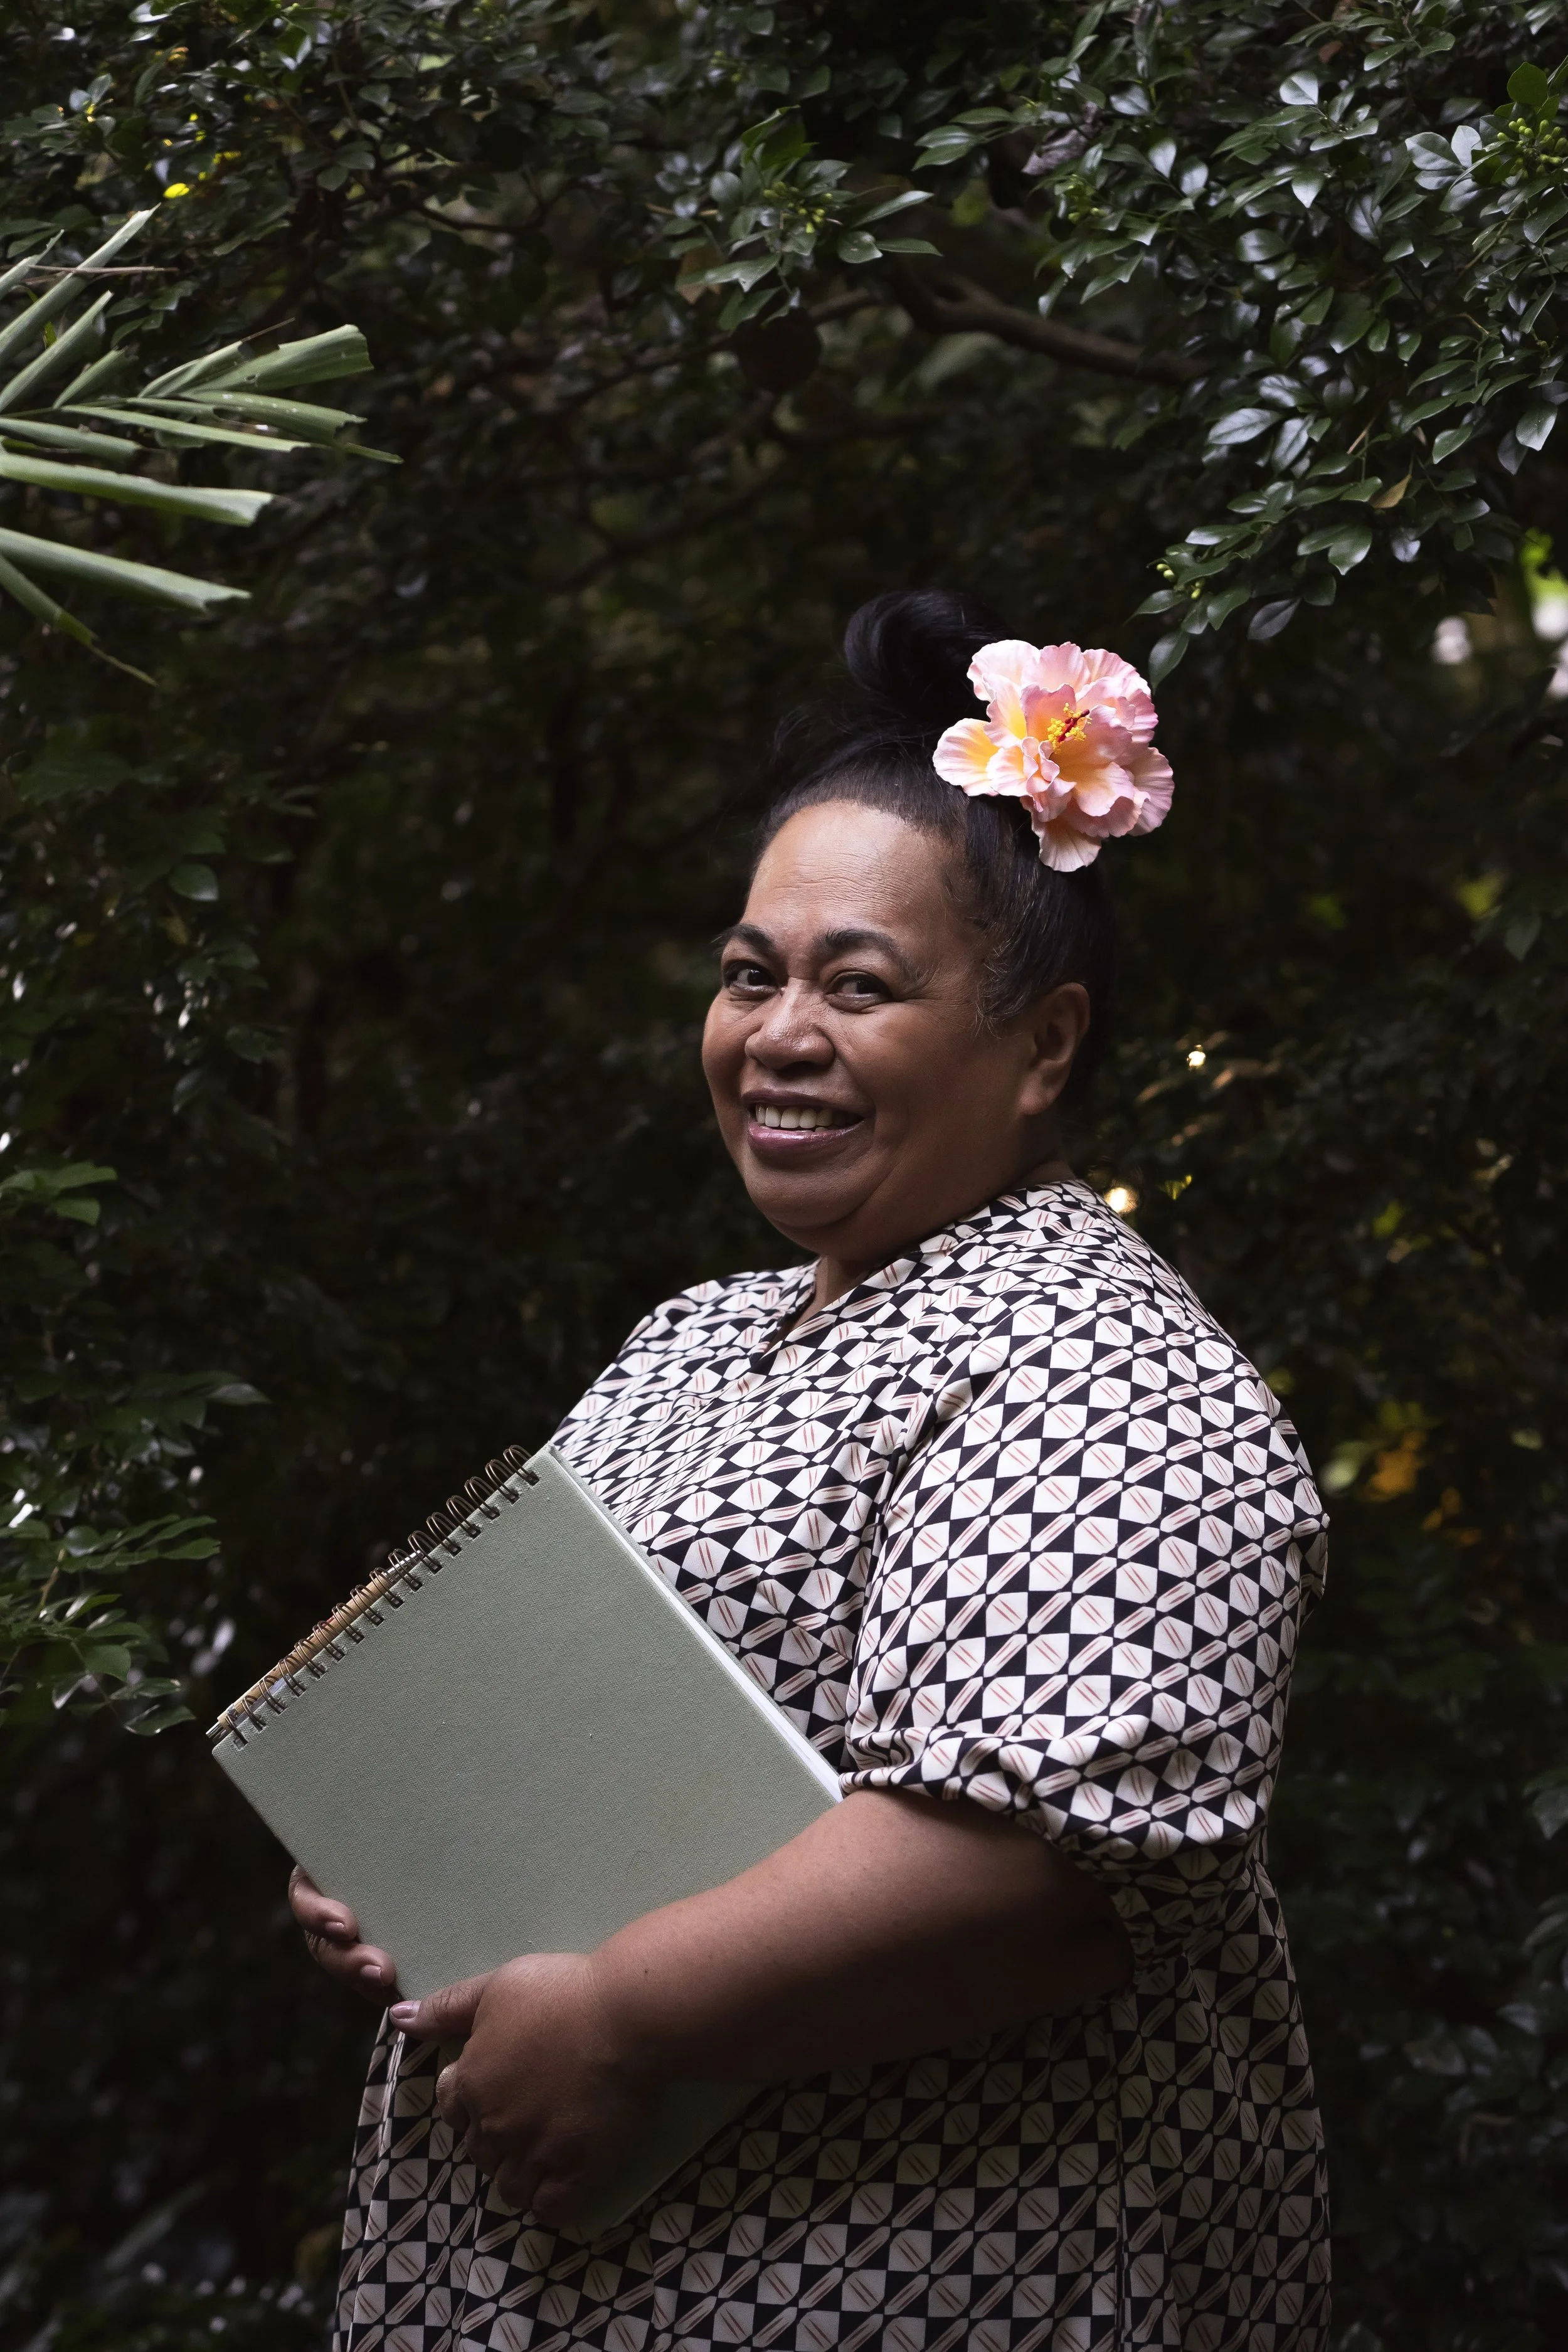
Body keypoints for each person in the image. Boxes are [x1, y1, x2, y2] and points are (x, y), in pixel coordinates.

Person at [292, 590, 1330, 2351]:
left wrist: (624, 2010)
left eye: (858, 984)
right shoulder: (697, 1330)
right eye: (749, 972)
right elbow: (519, 1685)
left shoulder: (1102, 1361)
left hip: (915, 2280)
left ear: (1044, 1045)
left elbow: (1045, 1861)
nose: (779, 1031)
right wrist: (397, 1834)